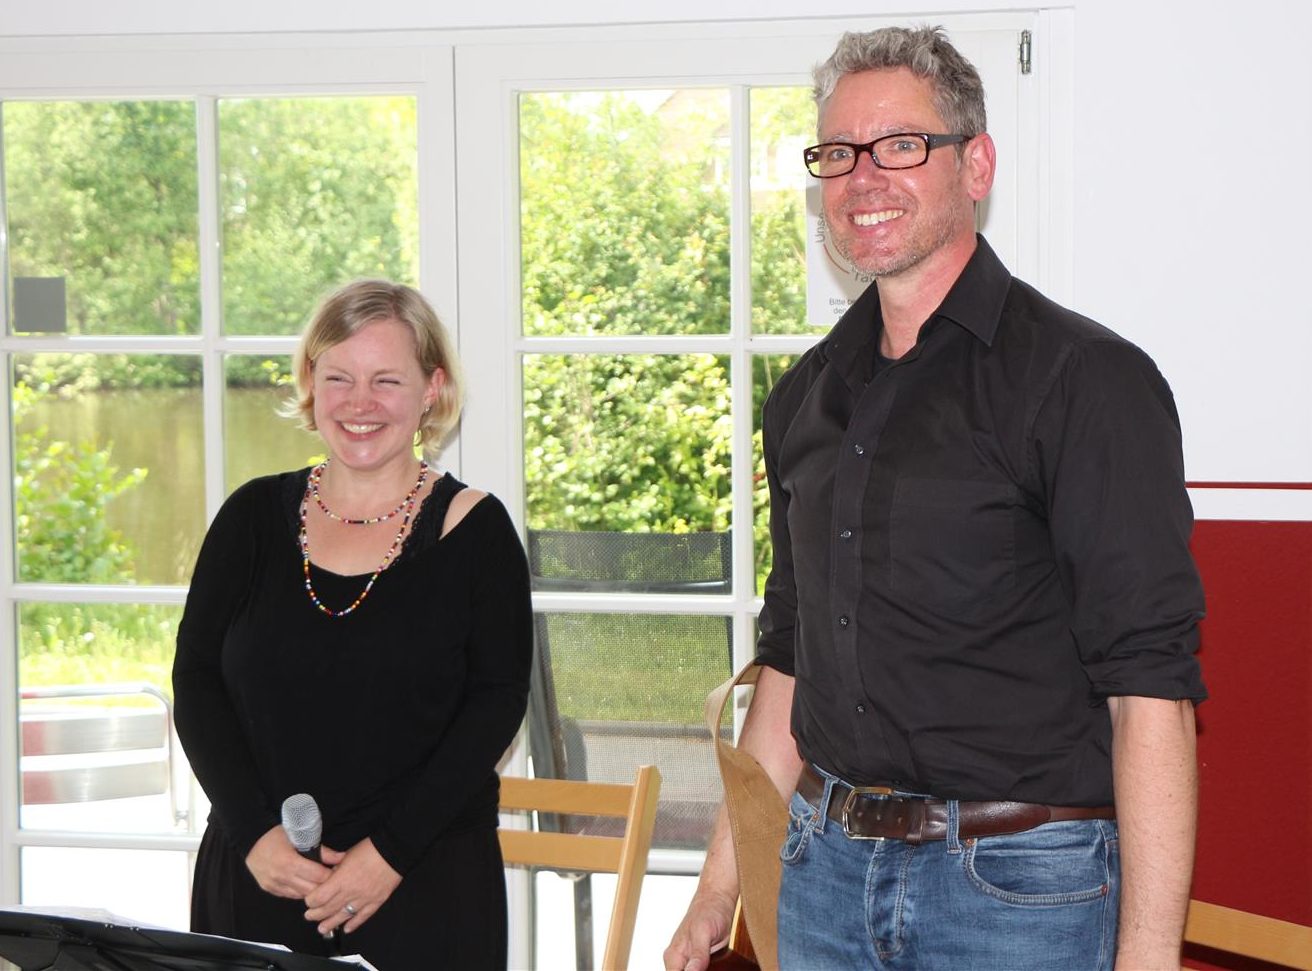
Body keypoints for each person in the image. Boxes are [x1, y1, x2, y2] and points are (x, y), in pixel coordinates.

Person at [666, 25, 1205, 971]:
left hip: (1019, 893)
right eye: (838, 153)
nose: (862, 177)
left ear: (976, 164)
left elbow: (1149, 689)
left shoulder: (1086, 381)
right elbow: (790, 658)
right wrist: (719, 885)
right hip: (822, 876)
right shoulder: (805, 398)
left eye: (901, 145)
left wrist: (1150, 956)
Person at [173, 279, 532, 969]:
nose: (359, 403)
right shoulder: (249, 518)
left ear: (432, 389)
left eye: (386, 380)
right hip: (257, 877)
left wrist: (390, 853)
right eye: (338, 377)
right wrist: (254, 836)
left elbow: (496, 703)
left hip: (422, 883)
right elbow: (195, 680)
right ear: (311, 383)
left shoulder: (478, 533)